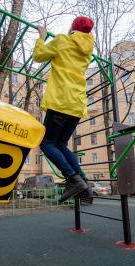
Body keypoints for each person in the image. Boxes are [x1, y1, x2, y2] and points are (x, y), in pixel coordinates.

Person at [33, 16, 94, 202]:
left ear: (72, 28)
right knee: (60, 144)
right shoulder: (87, 51)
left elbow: (38, 56)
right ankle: (83, 182)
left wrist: (41, 37)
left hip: (61, 101)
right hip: (76, 105)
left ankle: (73, 178)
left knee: (46, 143)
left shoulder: (62, 40)